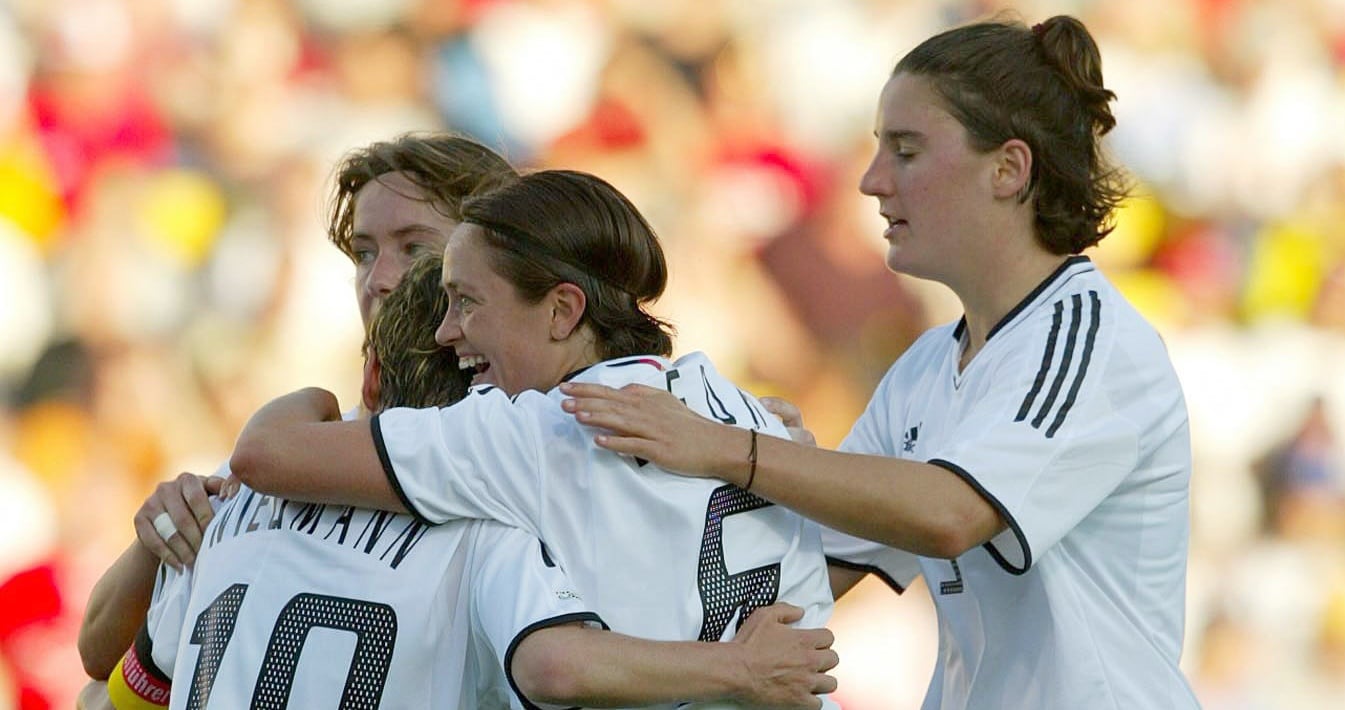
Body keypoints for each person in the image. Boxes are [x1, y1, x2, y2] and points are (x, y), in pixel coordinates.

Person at [557, 15, 1200, 709]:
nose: (870, 181)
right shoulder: (927, 365)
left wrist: (728, 448)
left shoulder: (1088, 337)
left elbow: (952, 512)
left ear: (1008, 169)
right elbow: (800, 578)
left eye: (906, 150)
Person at [82, 133, 835, 709]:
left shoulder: (489, 459)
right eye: (363, 251)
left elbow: (113, 687)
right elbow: (96, 653)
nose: (381, 278)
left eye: (417, 252)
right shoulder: (709, 414)